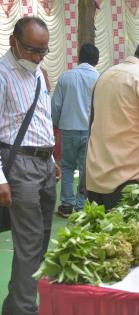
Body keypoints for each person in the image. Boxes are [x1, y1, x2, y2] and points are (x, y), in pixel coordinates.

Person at [0, 17, 60, 315]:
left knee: (43, 237)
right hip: (19, 164)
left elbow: (39, 117)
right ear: (14, 42)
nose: (38, 57)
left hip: (44, 162)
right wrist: (0, 179)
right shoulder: (2, 75)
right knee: (29, 242)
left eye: (43, 51)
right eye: (32, 50)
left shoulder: (37, 72)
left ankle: (16, 305)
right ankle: (23, 310)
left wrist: (51, 158)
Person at [85, 37, 139, 210]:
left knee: (101, 234)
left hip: (96, 176)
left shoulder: (106, 75)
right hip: (129, 179)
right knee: (128, 236)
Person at [52, 43, 100, 217]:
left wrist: (55, 124)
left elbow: (56, 105)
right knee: (85, 169)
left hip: (68, 130)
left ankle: (66, 205)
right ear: (97, 60)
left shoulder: (66, 77)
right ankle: (80, 206)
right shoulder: (101, 78)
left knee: (66, 168)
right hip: (90, 131)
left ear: (78, 57)